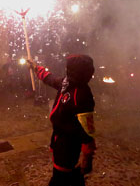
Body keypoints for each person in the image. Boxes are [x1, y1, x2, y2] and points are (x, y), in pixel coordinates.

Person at [28, 54, 96, 186]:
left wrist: (88, 155)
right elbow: (50, 79)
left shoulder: (83, 94)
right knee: (71, 176)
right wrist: (36, 67)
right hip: (60, 139)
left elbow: (87, 128)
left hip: (69, 144)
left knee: (61, 178)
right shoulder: (66, 83)